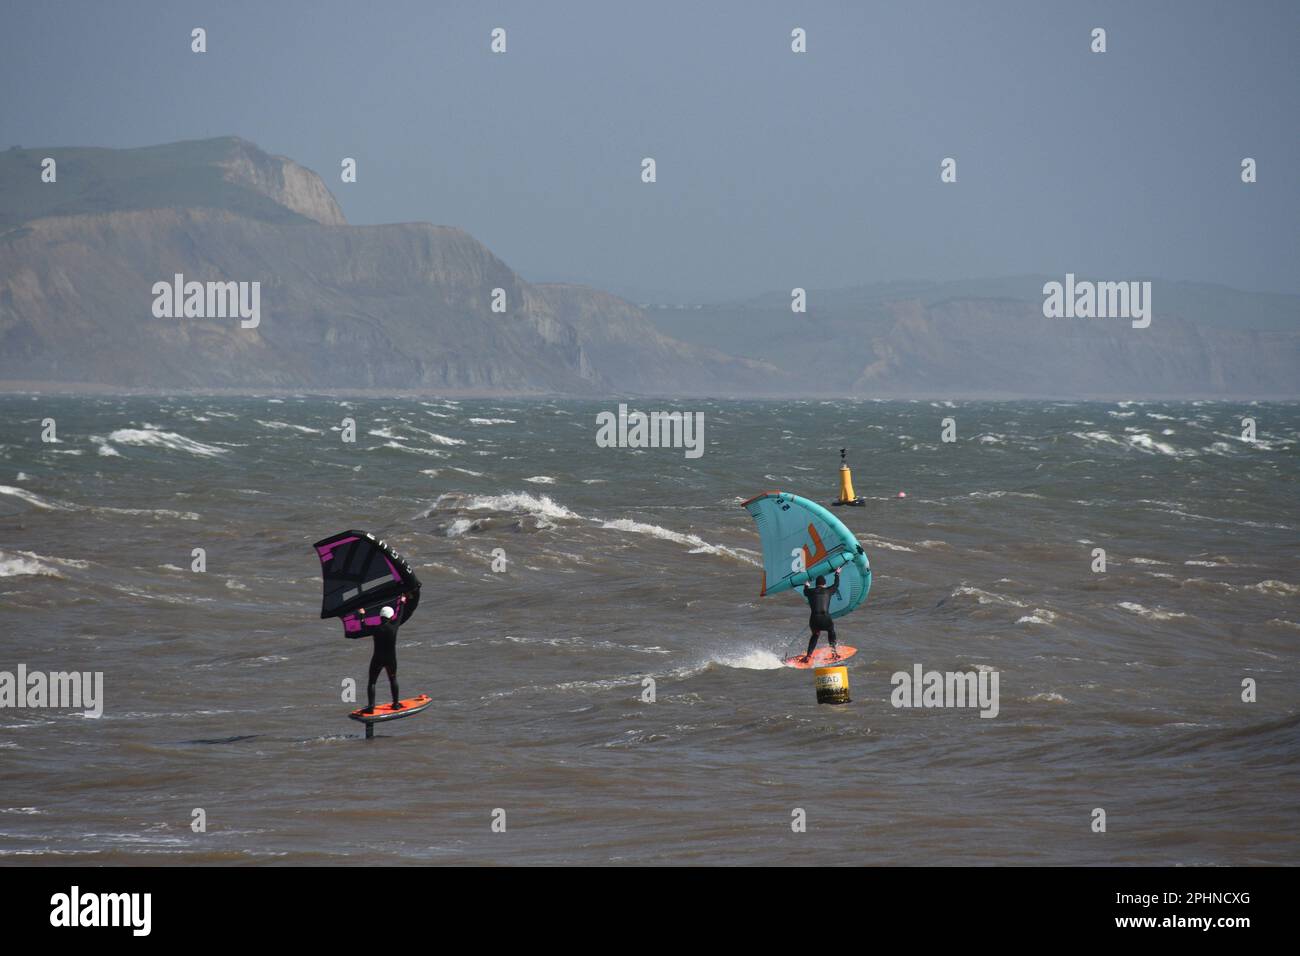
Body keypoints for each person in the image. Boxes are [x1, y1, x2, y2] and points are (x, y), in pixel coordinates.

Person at [360, 603, 402, 714]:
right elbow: (400, 615)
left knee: (372, 682)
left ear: (380, 616)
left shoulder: (375, 628)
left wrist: (362, 615)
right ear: (391, 616)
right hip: (390, 659)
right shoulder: (394, 627)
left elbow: (363, 626)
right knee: (393, 679)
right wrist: (402, 602)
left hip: (377, 659)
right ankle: (396, 704)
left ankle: (371, 707)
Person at [800, 567, 841, 662]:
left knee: (815, 634)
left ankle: (808, 656)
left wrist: (806, 585)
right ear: (824, 584)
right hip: (825, 618)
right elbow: (836, 584)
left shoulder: (810, 592)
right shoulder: (828, 591)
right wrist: (837, 574)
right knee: (831, 631)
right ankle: (834, 653)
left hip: (814, 619)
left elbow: (805, 591)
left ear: (816, 584)